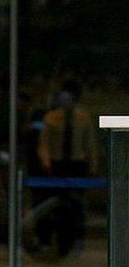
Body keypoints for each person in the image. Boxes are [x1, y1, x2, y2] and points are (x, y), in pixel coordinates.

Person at [36, 80, 98, 256]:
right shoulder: (51, 118)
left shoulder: (83, 118)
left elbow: (90, 143)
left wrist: (92, 165)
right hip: (56, 164)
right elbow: (44, 142)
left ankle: (76, 239)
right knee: (52, 203)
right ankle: (46, 238)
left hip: (76, 164)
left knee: (76, 204)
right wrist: (46, 161)